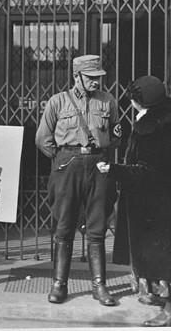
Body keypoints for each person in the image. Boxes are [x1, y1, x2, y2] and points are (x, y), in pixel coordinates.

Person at [36, 55, 121, 306]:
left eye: (98, 77)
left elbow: (116, 134)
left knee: (97, 228)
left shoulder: (108, 100)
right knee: (63, 228)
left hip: (97, 166)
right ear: (77, 77)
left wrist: (98, 153)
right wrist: (63, 159)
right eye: (91, 77)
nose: (96, 81)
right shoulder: (58, 102)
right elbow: (43, 139)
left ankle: (99, 286)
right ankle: (59, 285)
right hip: (67, 165)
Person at [97, 76, 171, 326]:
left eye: (133, 100)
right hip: (157, 201)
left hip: (156, 203)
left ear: (142, 101)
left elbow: (149, 171)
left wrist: (114, 169)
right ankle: (160, 296)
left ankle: (169, 311)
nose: (131, 104)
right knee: (157, 254)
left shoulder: (152, 127)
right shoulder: (161, 117)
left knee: (164, 255)